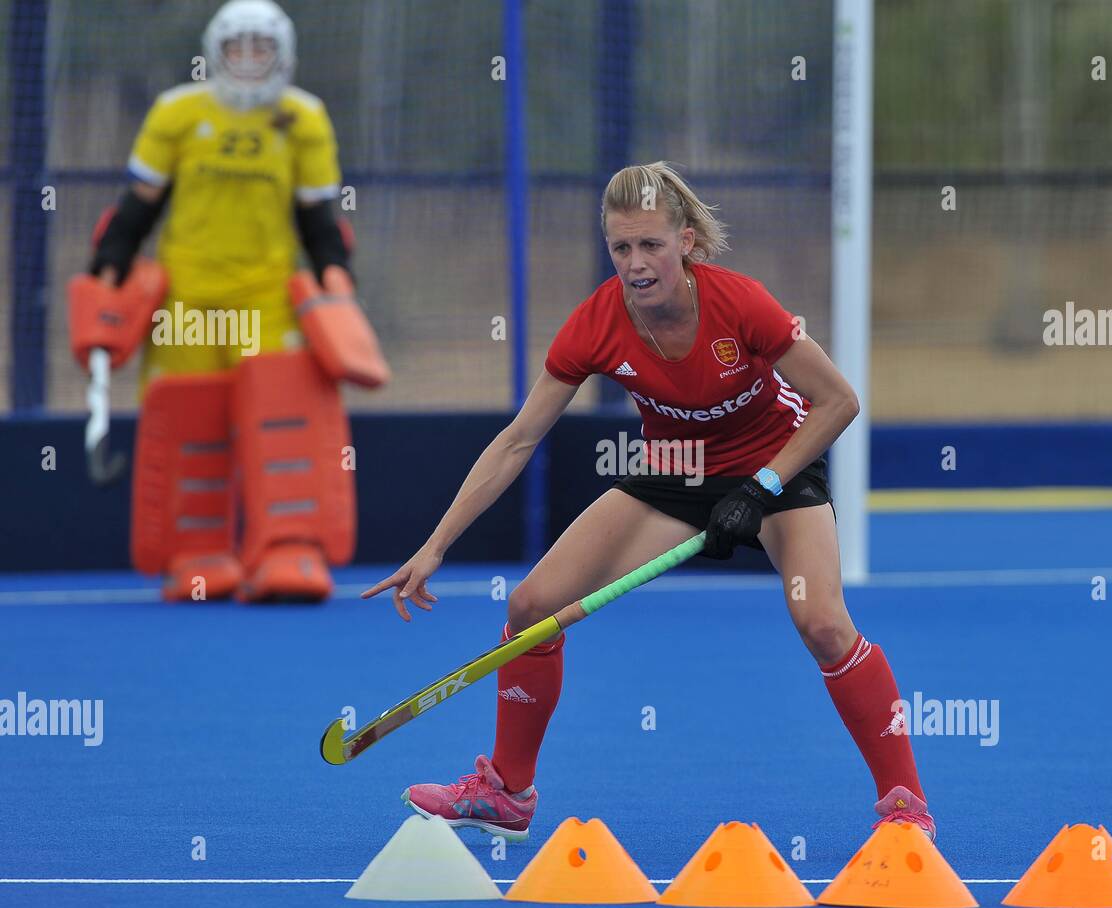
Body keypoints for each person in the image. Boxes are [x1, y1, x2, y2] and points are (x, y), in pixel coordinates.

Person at [363, 162, 933, 841]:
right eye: (621, 247)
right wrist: (435, 545)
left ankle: (906, 805)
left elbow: (839, 400)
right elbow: (518, 440)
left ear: (685, 242)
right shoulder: (596, 323)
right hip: (676, 473)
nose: (636, 264)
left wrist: (762, 487)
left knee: (822, 622)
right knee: (530, 607)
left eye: (651, 245)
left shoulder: (741, 304)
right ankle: (506, 793)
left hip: (777, 470)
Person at [71, 0, 377, 602]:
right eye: (237, 47)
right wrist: (109, 271)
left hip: (268, 302)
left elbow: (317, 219)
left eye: (261, 48)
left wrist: (336, 281)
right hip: (186, 303)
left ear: (282, 55)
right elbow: (139, 205)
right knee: (192, 428)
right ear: (215, 52)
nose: (248, 59)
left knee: (286, 425)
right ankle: (198, 556)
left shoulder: (304, 118)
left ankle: (290, 549)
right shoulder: (176, 113)